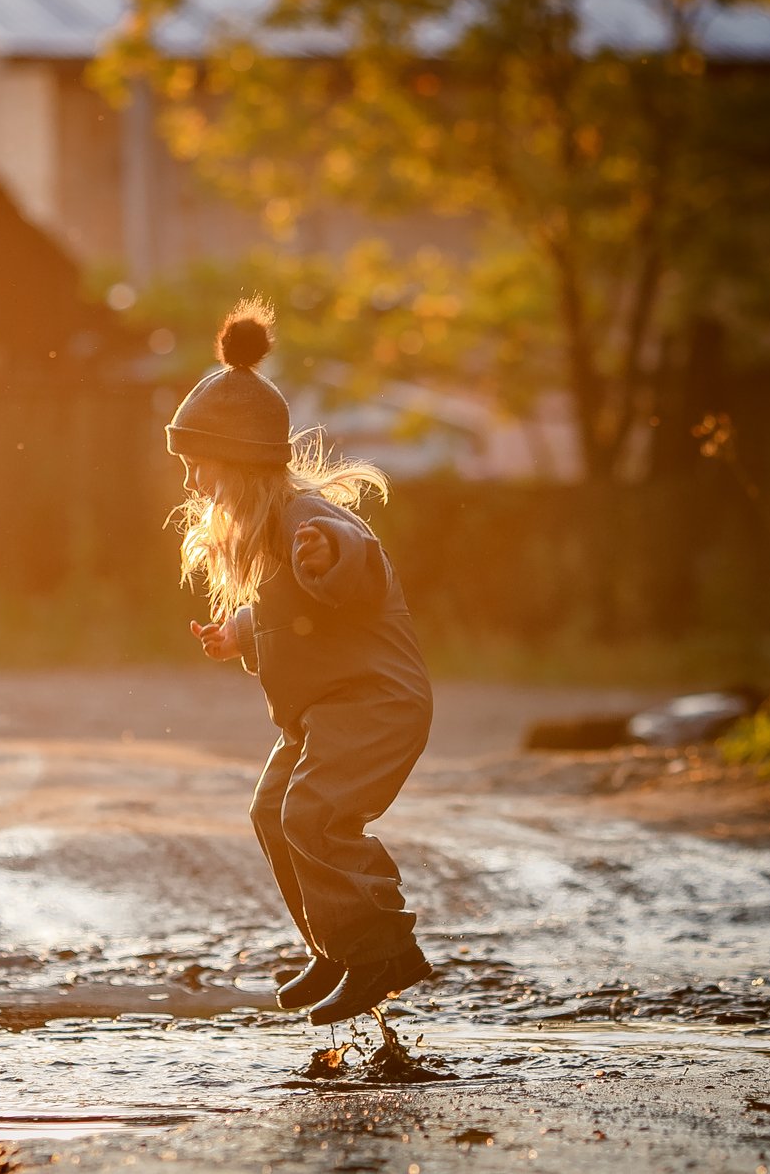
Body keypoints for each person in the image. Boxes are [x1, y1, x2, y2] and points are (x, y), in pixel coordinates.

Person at [167, 295, 436, 1027]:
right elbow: (293, 611)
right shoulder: (272, 533)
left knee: (312, 811)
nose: (193, 485)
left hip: (376, 700)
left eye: (200, 467)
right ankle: (337, 942)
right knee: (271, 809)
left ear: (242, 464)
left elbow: (356, 566)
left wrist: (328, 557)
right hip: (330, 708)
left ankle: (381, 947)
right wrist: (241, 632)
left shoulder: (310, 522)